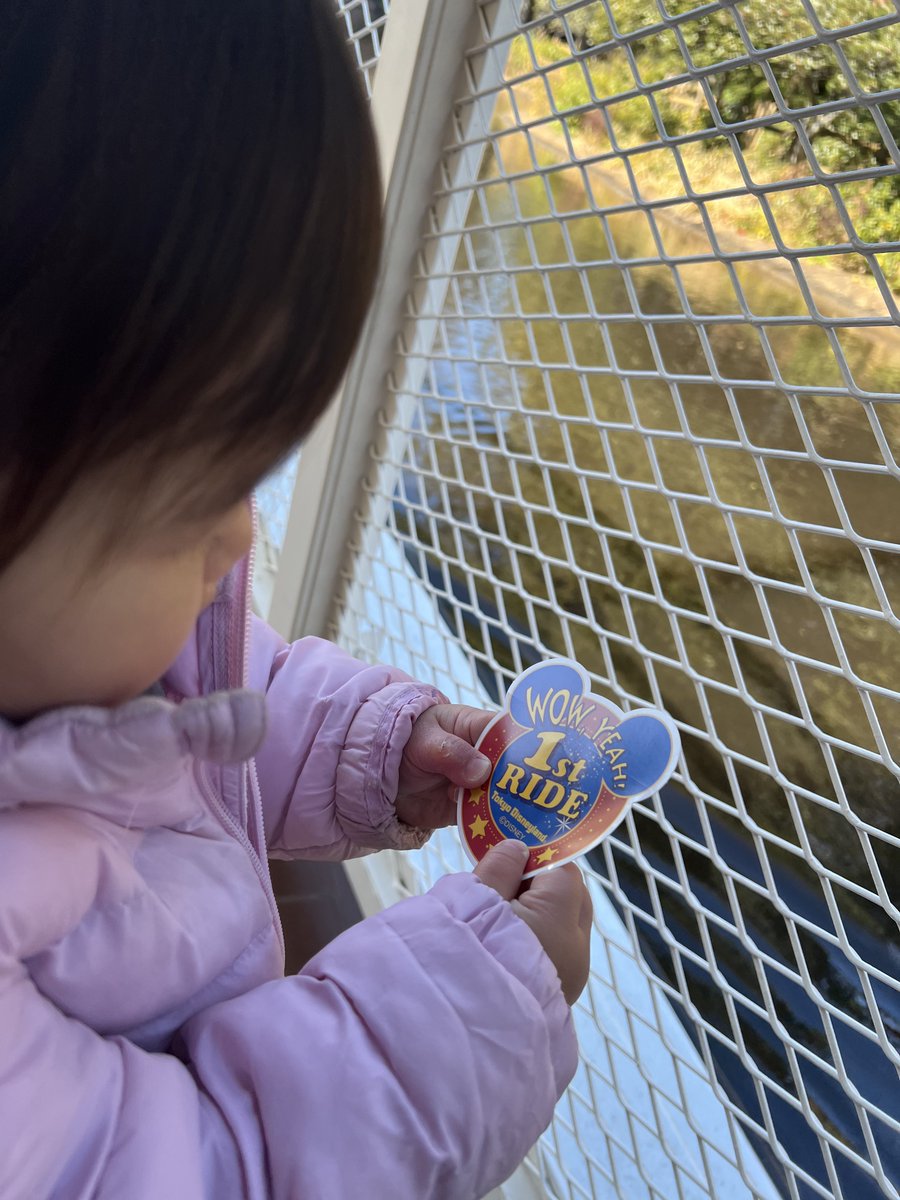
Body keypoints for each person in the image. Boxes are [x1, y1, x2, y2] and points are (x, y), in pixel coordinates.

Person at [0, 2, 592, 1197]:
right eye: (199, 493)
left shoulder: (71, 645)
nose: (239, 536)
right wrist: (464, 1003)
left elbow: (212, 713)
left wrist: (375, 747)